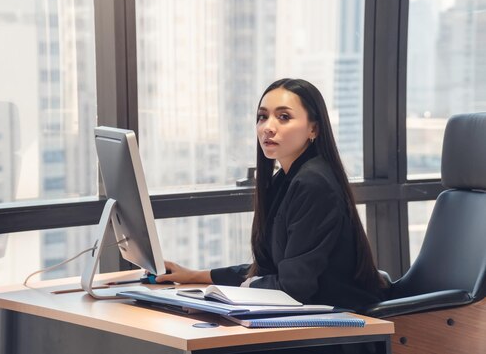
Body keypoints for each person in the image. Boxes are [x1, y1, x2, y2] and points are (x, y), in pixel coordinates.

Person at [156, 78, 386, 313]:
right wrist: (195, 276)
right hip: (307, 319)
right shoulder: (285, 180)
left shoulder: (313, 183)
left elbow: (293, 287)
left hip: (337, 329)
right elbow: (270, 272)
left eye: (284, 117)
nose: (268, 127)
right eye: (262, 117)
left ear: (313, 129)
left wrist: (225, 295)